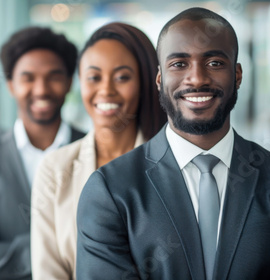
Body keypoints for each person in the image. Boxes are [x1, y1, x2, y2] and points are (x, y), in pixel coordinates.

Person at [76, 7, 270, 280]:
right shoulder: (110, 190)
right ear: (159, 79)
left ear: (237, 75)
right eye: (179, 64)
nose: (197, 79)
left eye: (214, 63)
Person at [30, 22, 167, 280]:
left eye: (122, 77)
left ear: (147, 81)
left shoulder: (172, 164)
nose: (106, 90)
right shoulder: (55, 168)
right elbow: (49, 271)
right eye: (94, 77)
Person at [0, 27, 85, 280]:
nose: (41, 89)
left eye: (53, 77)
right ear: (11, 85)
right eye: (28, 78)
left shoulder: (95, 150)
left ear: (69, 83)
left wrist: (0, 252)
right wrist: (53, 247)